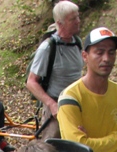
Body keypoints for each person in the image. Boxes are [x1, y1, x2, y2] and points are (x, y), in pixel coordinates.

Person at [26, 1, 82, 140]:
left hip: (77, 105)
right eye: (73, 19)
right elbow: (31, 82)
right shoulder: (48, 48)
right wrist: (51, 104)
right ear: (60, 23)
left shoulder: (78, 43)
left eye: (78, 17)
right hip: (56, 107)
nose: (78, 21)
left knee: (76, 150)